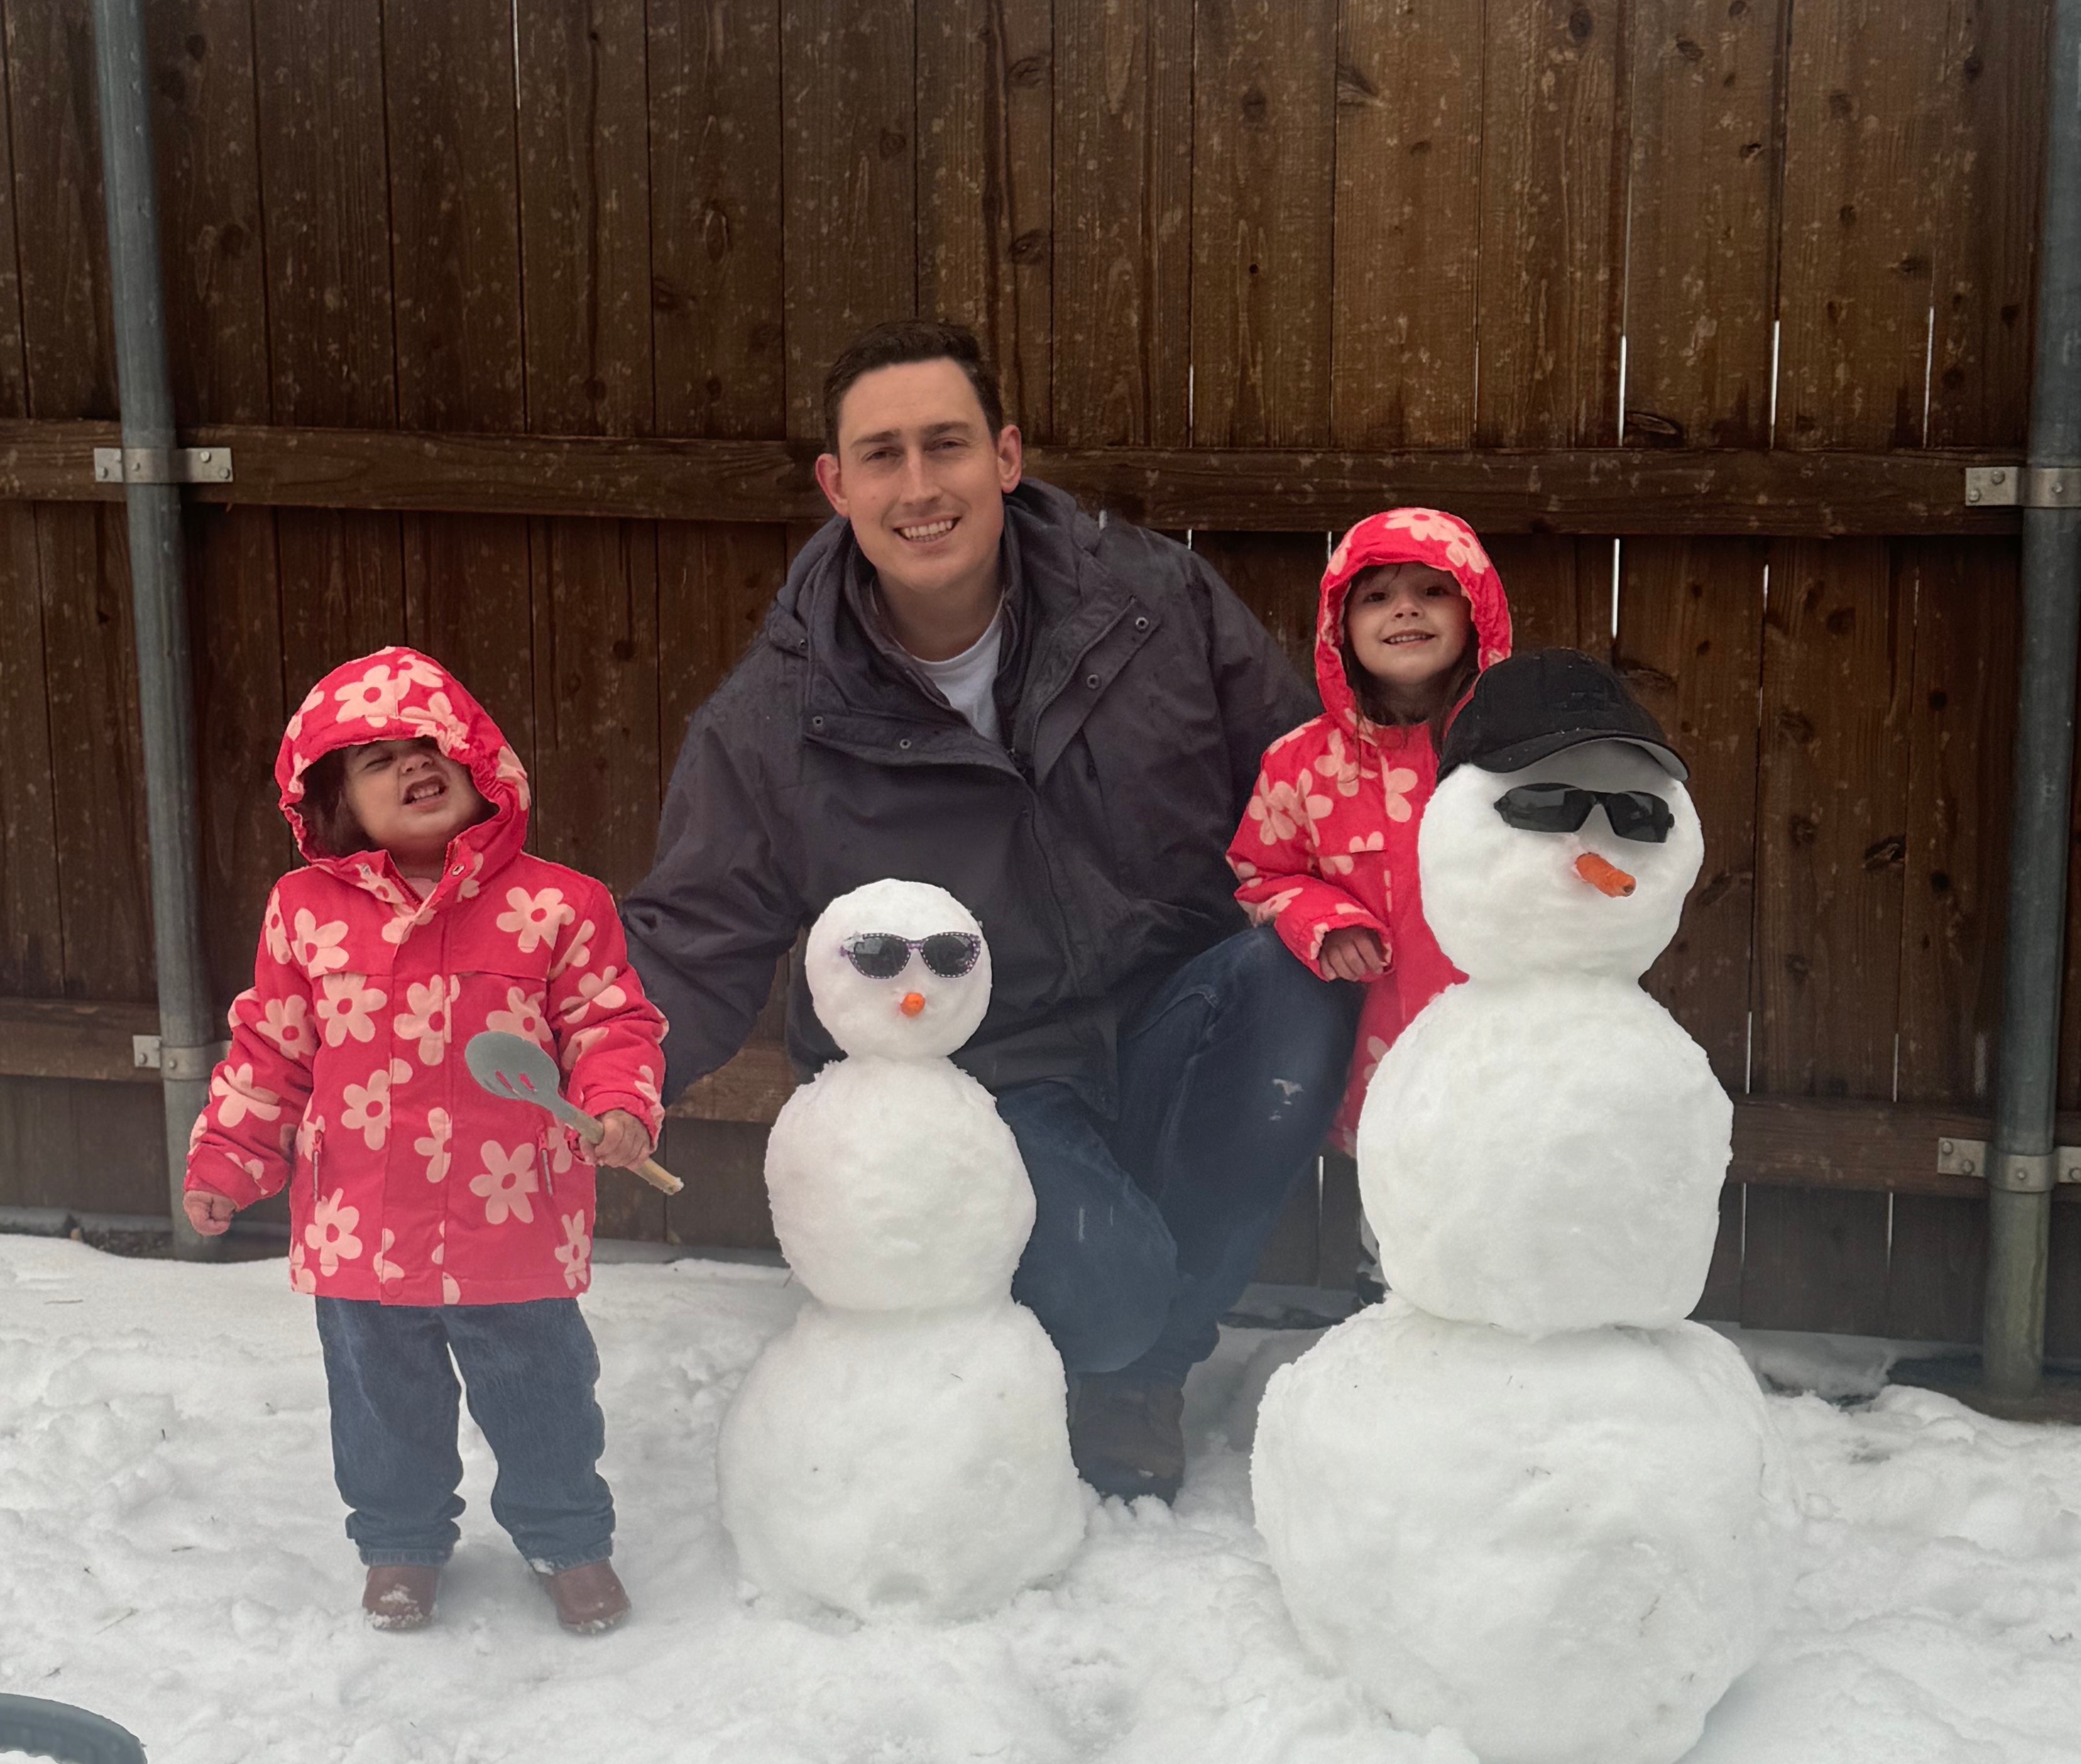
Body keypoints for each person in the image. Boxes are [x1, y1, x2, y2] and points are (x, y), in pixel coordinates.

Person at [622, 319, 1360, 1506]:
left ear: (1006, 458)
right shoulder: (774, 718)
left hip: (1172, 1012)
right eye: (882, 456)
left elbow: (1309, 798)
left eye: (947, 445)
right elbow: (692, 939)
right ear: (836, 485)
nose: (920, 488)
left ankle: (1146, 1374)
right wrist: (592, 1075)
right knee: (1107, 1295)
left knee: (1308, 968)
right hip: (986, 1076)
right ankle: (1112, 1328)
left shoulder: (1156, 607)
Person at [181, 650, 667, 1636]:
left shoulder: (559, 905)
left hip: (516, 1217)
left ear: (481, 762)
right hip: (362, 1224)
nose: (411, 768)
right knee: (382, 1408)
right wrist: (230, 1156)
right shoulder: (303, 912)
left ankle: (565, 1536)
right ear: (332, 802)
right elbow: (271, 1049)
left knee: (543, 1399)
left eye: (428, 746)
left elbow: (611, 1025)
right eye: (376, 760)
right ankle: (399, 1543)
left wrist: (617, 1103)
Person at [1227, 512, 1513, 1251]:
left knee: (1508, 1191)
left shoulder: (1515, 751)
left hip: (1502, 1033)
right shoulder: (1302, 764)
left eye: (1432, 591)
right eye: (1377, 596)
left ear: (1476, 612)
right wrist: (1324, 919)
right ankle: (1386, 1312)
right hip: (1376, 1039)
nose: (1406, 609)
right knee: (1397, 1207)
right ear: (1340, 625)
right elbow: (1262, 874)